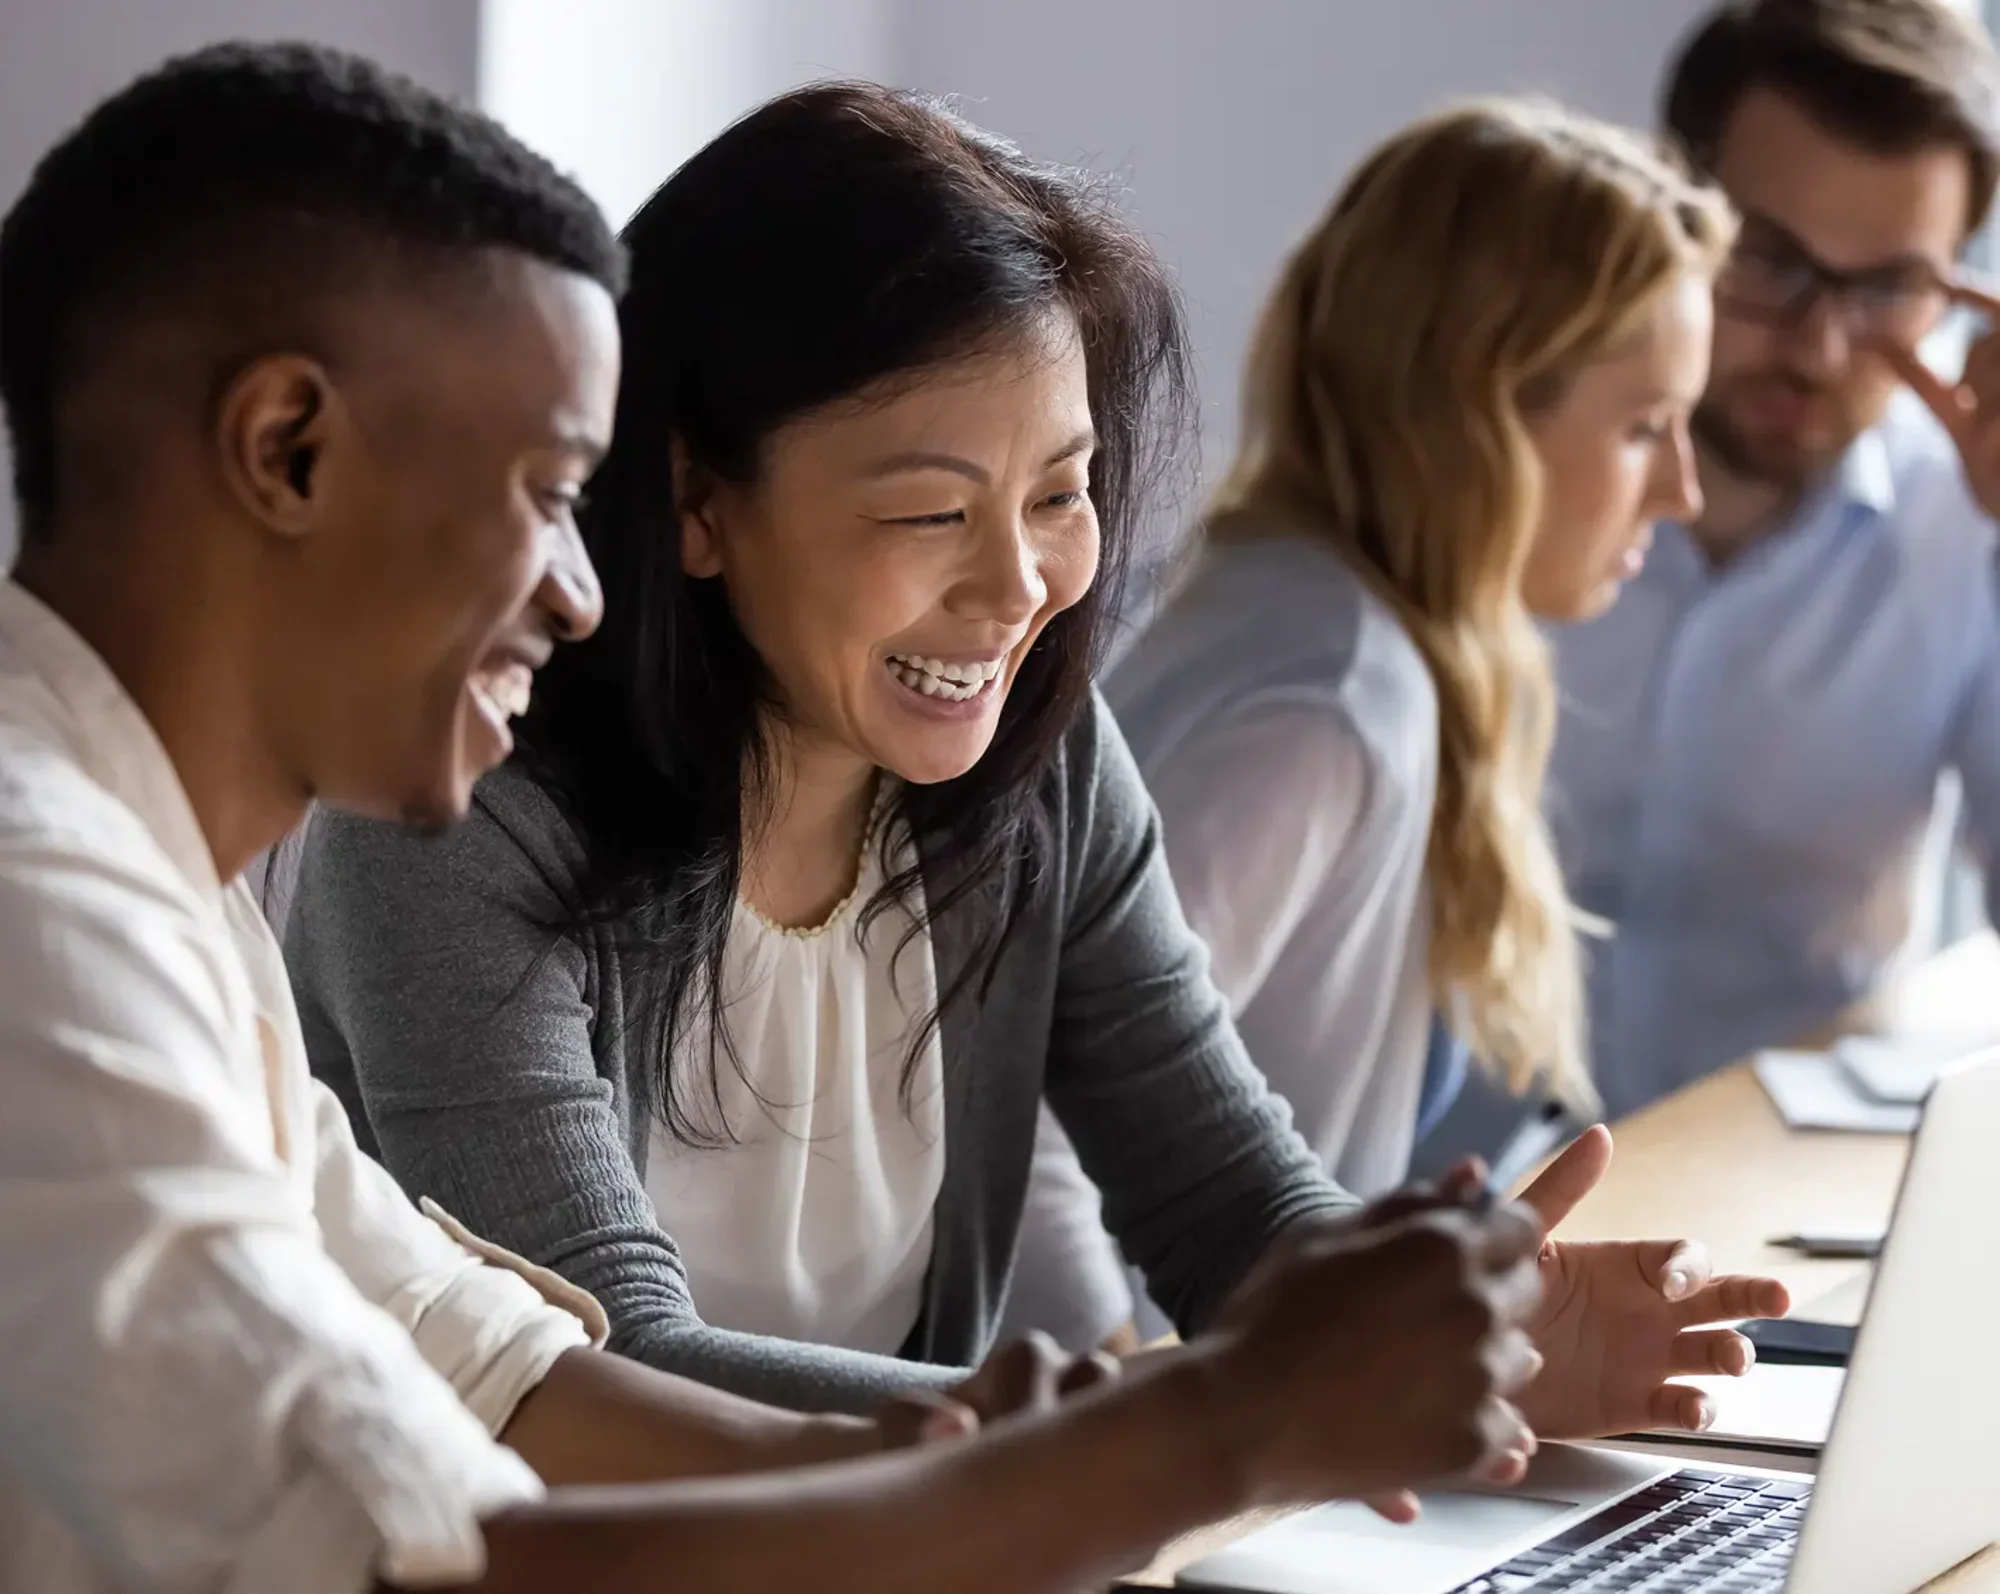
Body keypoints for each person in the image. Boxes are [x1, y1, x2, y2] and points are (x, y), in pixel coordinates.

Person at [0, 41, 1567, 1594]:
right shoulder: (39, 913)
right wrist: (1221, 1425)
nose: (576, 587)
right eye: (549, 493)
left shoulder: (159, 885)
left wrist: (1289, 1390)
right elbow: (437, 1563)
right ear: (290, 449)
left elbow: (504, 1376)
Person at [286, 79, 1784, 1431]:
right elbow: (606, 1378)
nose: (1019, 589)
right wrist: (1190, 1425)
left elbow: (1225, 1201)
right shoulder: (457, 808)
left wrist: (1464, 1339)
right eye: (934, 511)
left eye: (1061, 494)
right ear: (694, 500)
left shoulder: (1038, 763)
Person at [1005, 99, 1738, 1349]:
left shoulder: (1336, 617)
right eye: (1640, 427)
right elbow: (1031, 1143)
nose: (1681, 487)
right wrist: (1139, 1444)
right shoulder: (1327, 707)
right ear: (1484, 411)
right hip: (1180, 1463)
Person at [1545, 0, 2000, 1115]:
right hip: (1440, 1206)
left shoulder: (1963, 524)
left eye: (1888, 289)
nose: (1819, 345)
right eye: (1767, 259)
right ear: (1666, 204)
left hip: (1778, 1201)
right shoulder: (1487, 469)